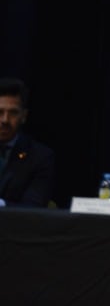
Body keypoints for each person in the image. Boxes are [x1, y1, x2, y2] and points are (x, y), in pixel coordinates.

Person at [0, 77, 56, 208]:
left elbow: (33, 208)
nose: (5, 120)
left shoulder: (40, 157)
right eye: (0, 112)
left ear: (24, 116)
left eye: (13, 113)